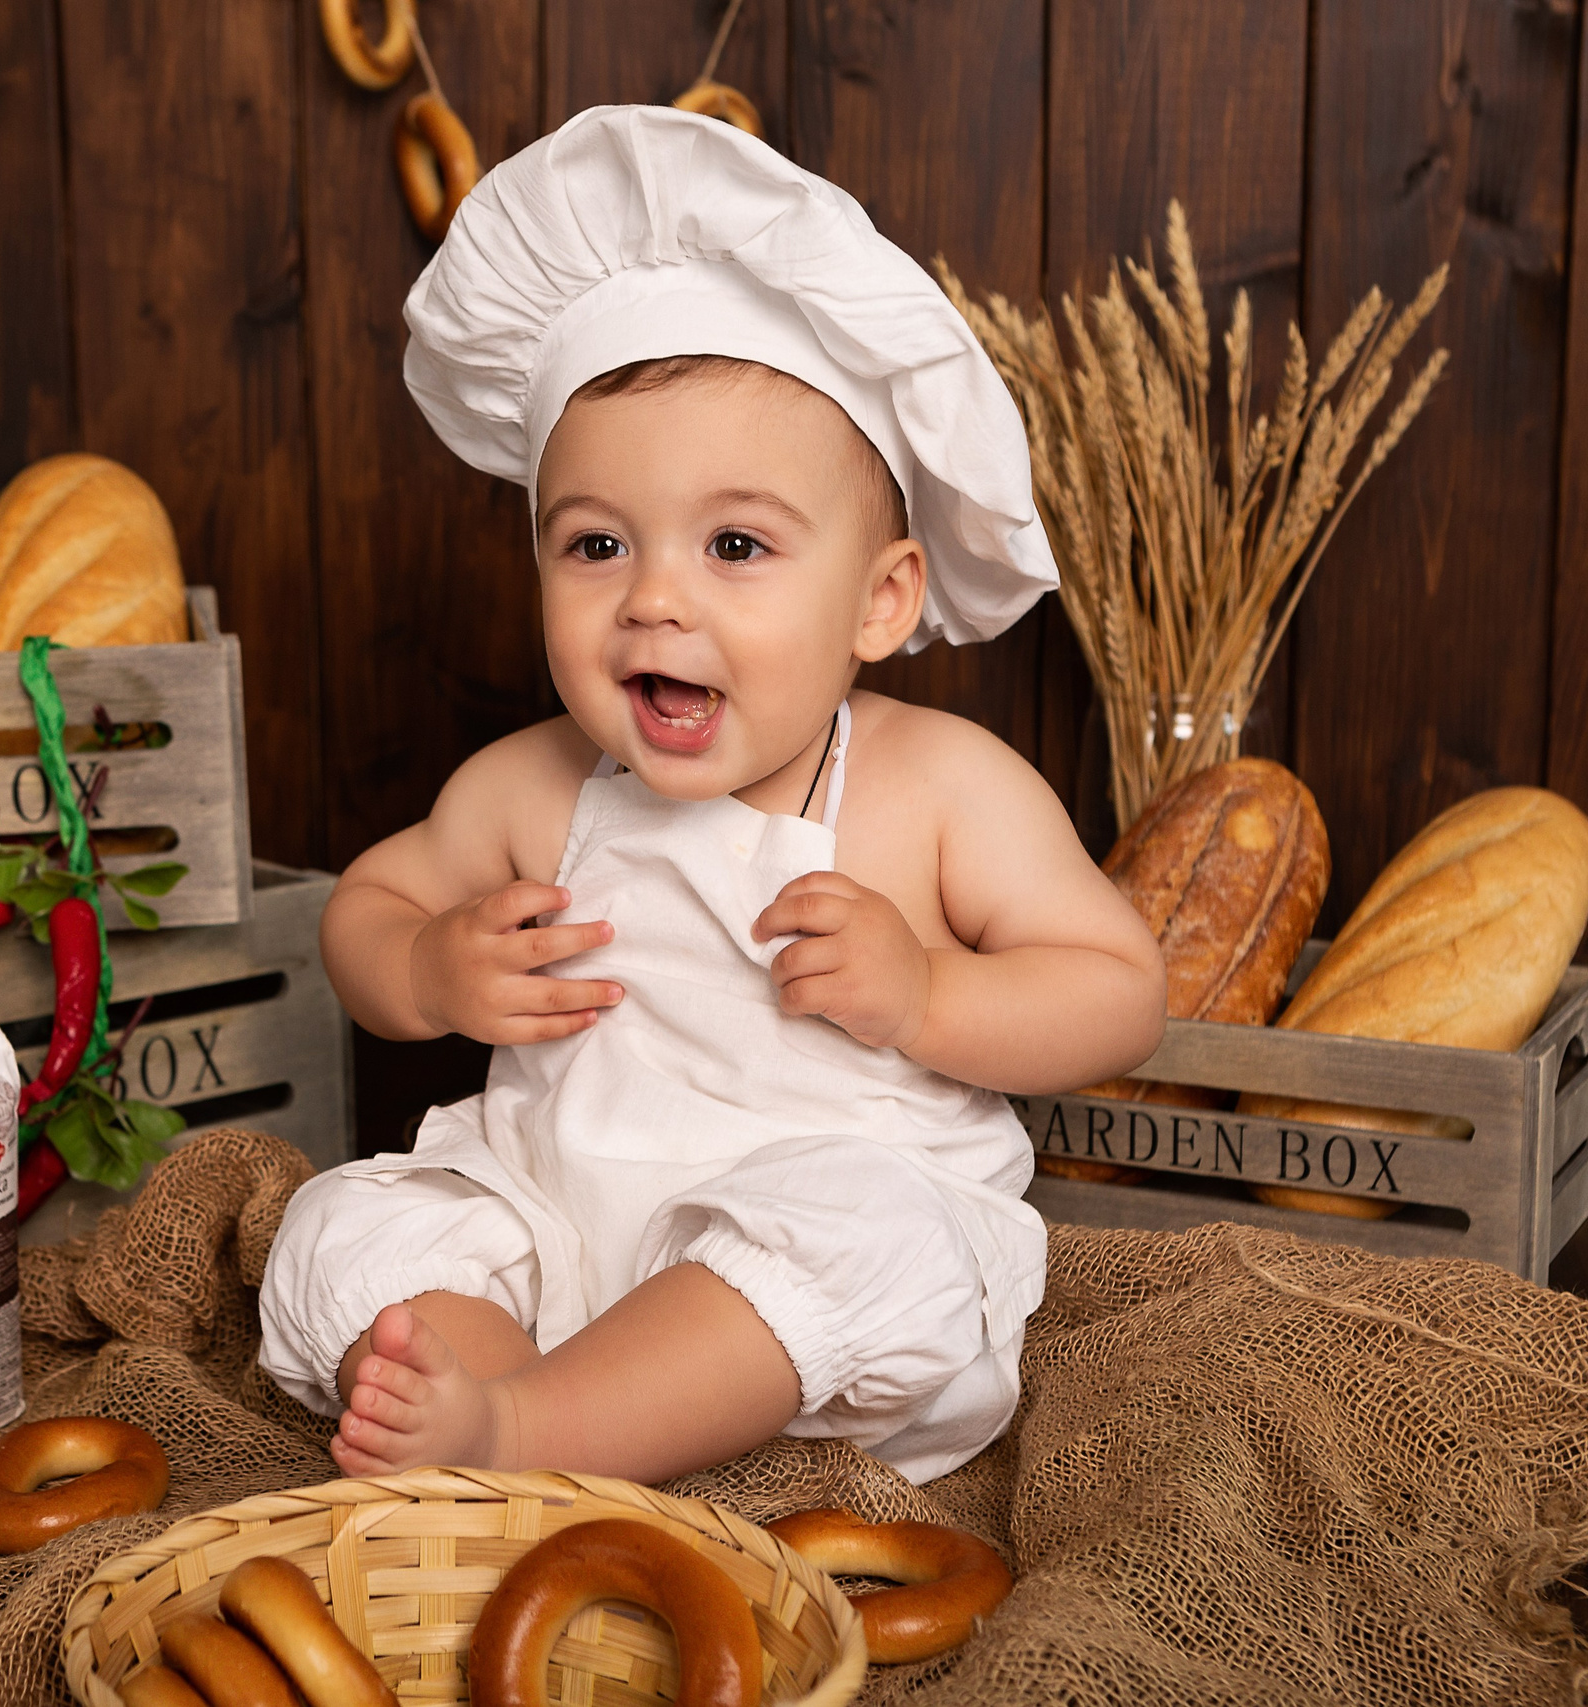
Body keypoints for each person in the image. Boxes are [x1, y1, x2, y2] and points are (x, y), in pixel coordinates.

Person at [259, 106, 1166, 1486]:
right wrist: (432, 969)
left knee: (876, 1232)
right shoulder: (536, 784)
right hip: (561, 1241)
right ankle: (515, 1402)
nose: (655, 599)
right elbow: (366, 908)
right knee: (346, 1228)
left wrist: (929, 995)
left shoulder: (935, 789)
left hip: (783, 1298)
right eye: (597, 543)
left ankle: (524, 1439)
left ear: (879, 599)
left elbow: (1119, 989)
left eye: (735, 544)